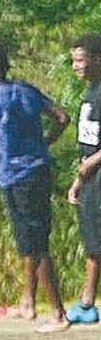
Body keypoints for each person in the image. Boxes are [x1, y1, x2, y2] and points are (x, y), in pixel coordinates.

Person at [0, 38, 69, 326]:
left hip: (15, 175)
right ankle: (29, 301)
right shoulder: (25, 90)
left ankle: (57, 312)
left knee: (35, 244)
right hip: (38, 171)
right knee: (30, 240)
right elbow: (62, 116)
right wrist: (44, 143)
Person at [65, 34, 101, 324]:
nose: (76, 66)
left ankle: (87, 302)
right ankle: (87, 300)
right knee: (91, 236)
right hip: (89, 178)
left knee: (95, 242)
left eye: (80, 60)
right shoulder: (90, 94)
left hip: (97, 174)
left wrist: (92, 163)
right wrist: (79, 179)